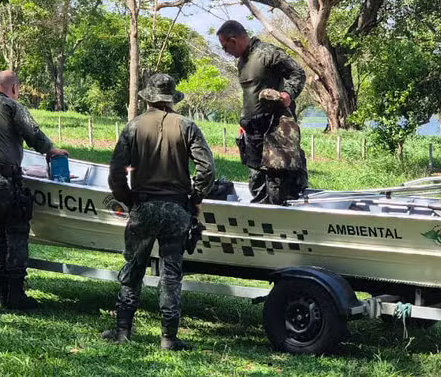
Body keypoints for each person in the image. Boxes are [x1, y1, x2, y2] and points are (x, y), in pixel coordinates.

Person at [102, 73, 215, 351]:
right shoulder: (187, 126)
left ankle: (123, 331)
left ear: (148, 98)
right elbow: (207, 169)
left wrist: (127, 198)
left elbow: (116, 171)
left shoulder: (134, 126)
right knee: (171, 274)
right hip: (176, 208)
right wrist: (196, 196)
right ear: (171, 99)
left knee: (134, 268)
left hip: (144, 205)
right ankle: (168, 337)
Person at [0, 70, 68, 310]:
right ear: (14, 88)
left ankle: (1, 292)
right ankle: (15, 295)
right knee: (16, 231)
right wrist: (51, 150)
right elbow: (32, 133)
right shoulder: (13, 106)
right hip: (1, 179)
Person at [216, 20, 307, 205]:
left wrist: (287, 94)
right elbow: (250, 94)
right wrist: (244, 122)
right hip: (253, 131)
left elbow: (297, 73)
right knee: (256, 179)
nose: (225, 52)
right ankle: (260, 217)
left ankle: (283, 219)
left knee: (278, 180)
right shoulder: (242, 62)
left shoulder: (266, 54)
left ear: (234, 40)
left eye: (225, 47)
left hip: (274, 128)